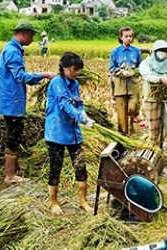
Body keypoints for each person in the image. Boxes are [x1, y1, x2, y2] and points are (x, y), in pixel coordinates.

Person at [0, 19, 57, 184]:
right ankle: (10, 176)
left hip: (9, 99)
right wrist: (44, 75)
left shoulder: (11, 48)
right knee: (13, 136)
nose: (32, 38)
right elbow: (20, 76)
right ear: (23, 33)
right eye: (31, 35)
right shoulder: (12, 51)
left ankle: (15, 170)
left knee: (14, 133)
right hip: (12, 101)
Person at [44, 52, 95, 215]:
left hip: (73, 133)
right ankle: (53, 203)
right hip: (56, 132)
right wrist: (81, 118)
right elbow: (65, 105)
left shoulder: (74, 83)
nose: (77, 72)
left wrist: (84, 115)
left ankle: (83, 201)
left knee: (81, 167)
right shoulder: (57, 83)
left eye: (79, 69)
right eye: (75, 69)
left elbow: (78, 103)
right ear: (64, 68)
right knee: (55, 168)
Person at [139, 40, 167, 145]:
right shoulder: (146, 63)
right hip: (151, 99)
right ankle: (154, 147)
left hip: (166, 98)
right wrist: (160, 79)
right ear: (155, 51)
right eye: (160, 50)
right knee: (154, 127)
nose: (162, 52)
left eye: (164, 50)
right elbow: (147, 75)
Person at [109, 26, 143, 135]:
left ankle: (132, 120)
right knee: (121, 113)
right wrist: (121, 72)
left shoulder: (136, 51)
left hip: (133, 85)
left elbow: (141, 67)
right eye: (126, 36)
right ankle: (124, 136)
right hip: (120, 86)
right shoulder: (115, 52)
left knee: (133, 108)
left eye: (131, 36)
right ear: (121, 37)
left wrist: (134, 72)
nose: (129, 38)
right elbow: (111, 68)